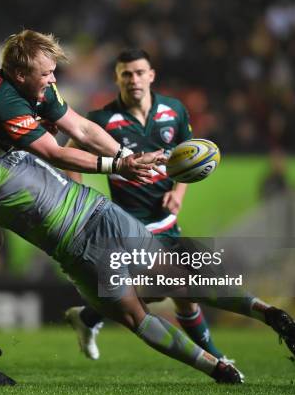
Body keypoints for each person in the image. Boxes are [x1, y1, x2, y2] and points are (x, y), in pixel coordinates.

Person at [0, 29, 162, 385]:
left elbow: (81, 128)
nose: (53, 79)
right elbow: (54, 153)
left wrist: (126, 155)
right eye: (46, 73)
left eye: (53, 71)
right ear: (21, 74)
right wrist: (115, 167)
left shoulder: (34, 88)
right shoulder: (5, 101)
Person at [0, 151, 295, 383]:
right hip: (95, 225)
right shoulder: (2, 161)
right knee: (171, 289)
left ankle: (227, 354)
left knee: (149, 305)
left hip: (86, 237)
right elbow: (67, 146)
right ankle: (252, 326)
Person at [63, 48, 229, 362]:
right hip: (128, 222)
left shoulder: (174, 110)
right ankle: (216, 357)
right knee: (179, 288)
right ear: (117, 78)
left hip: (165, 219)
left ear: (151, 75)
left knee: (175, 292)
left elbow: (186, 156)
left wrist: (179, 192)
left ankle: (88, 317)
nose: (134, 79)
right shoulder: (103, 119)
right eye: (126, 73)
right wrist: (78, 196)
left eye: (140, 72)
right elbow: (70, 153)